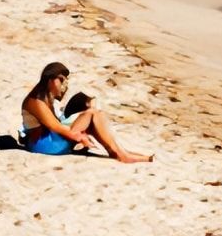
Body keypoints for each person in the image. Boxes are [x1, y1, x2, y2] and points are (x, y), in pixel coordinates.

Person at [18, 62, 151, 163]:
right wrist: (78, 136)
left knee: (96, 114)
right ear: (51, 80)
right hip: (43, 145)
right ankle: (120, 154)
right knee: (92, 114)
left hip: (48, 140)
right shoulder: (35, 102)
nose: (63, 84)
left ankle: (119, 152)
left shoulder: (44, 98)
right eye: (61, 80)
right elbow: (55, 126)